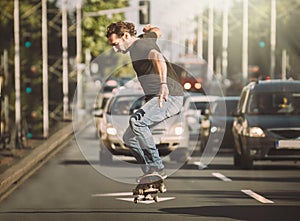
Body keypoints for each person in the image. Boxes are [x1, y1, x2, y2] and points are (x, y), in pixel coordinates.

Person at [106, 21, 184, 179]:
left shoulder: (139, 47)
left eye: (116, 44)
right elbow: (158, 31)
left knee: (137, 122)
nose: (115, 49)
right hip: (161, 98)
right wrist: (150, 29)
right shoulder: (145, 38)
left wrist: (163, 84)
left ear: (126, 36)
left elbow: (158, 57)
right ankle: (149, 171)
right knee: (129, 137)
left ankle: (157, 168)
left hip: (168, 96)